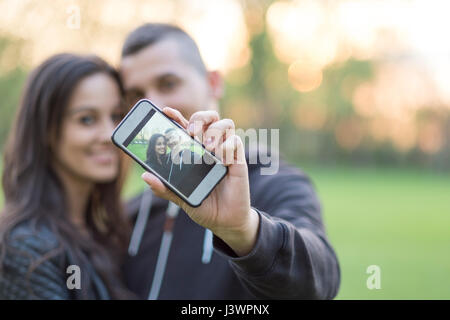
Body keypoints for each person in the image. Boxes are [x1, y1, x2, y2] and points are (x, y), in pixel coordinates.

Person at [120, 23, 340, 299]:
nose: (152, 103)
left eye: (168, 83)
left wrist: (243, 231)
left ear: (213, 82)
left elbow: (319, 281)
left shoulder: (273, 180)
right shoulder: (130, 213)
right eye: (136, 95)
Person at [0, 53, 133, 299]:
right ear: (46, 131)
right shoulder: (26, 249)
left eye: (116, 117)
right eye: (87, 119)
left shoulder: (108, 233)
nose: (110, 134)